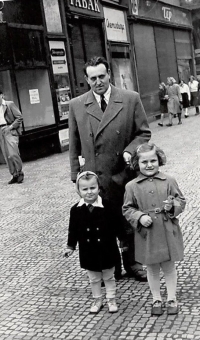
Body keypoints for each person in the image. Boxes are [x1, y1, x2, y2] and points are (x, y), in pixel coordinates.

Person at [68, 56, 151, 281]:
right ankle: (111, 266)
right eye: (93, 78)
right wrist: (76, 174)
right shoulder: (77, 104)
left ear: (109, 75)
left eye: (102, 76)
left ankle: (133, 262)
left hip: (123, 173)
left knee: (127, 220)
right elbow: (74, 142)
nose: (98, 82)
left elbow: (143, 133)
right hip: (95, 177)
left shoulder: (130, 99)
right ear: (86, 79)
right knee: (100, 223)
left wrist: (130, 151)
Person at [122, 142, 186, 316]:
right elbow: (127, 209)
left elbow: (181, 200)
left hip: (167, 230)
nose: (149, 165)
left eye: (153, 161)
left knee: (169, 266)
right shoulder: (131, 186)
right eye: (144, 162)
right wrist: (140, 217)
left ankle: (172, 298)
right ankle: (156, 298)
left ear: (159, 160)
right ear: (137, 163)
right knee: (151, 268)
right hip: (147, 234)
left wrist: (173, 206)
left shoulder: (169, 180)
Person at [65, 171, 126, 314]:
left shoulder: (108, 206)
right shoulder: (76, 210)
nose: (89, 192)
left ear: (99, 187)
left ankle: (111, 299)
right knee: (94, 278)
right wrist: (70, 246)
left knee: (109, 276)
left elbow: (118, 225)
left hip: (107, 249)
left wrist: (123, 241)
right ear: (78, 191)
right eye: (84, 189)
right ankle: (97, 300)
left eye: (92, 188)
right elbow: (72, 230)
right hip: (88, 250)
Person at [0, 90, 24, 184]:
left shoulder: (9, 104)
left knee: (13, 153)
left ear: (1, 95)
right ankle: (14, 174)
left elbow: (19, 117)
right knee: (6, 155)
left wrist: (11, 127)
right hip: (0, 131)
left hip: (9, 129)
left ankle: (19, 172)